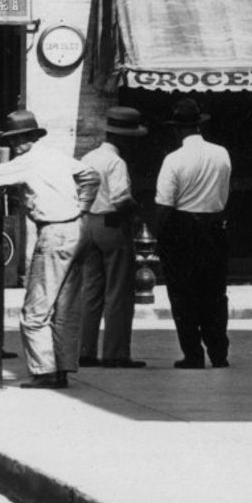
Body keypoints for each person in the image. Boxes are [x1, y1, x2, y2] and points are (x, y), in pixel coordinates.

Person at [0, 113, 83, 388]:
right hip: (75, 227)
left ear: (32, 138)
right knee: (63, 306)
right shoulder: (56, 156)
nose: (18, 143)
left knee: (35, 310)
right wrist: (83, 204)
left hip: (53, 230)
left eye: (21, 138)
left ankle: (44, 369)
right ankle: (62, 367)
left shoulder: (27, 162)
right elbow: (88, 174)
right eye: (14, 139)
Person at [150, 103, 234, 369]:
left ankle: (193, 353)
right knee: (214, 293)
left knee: (184, 294)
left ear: (177, 131)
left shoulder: (173, 159)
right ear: (199, 125)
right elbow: (224, 191)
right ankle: (219, 351)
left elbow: (165, 204)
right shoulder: (222, 154)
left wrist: (156, 235)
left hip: (183, 228)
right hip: (215, 227)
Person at [67, 103, 149, 369]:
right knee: (118, 291)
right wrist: (137, 212)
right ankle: (115, 353)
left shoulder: (89, 158)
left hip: (87, 222)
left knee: (91, 290)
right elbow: (121, 197)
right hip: (112, 225)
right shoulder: (116, 162)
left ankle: (85, 350)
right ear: (123, 138)